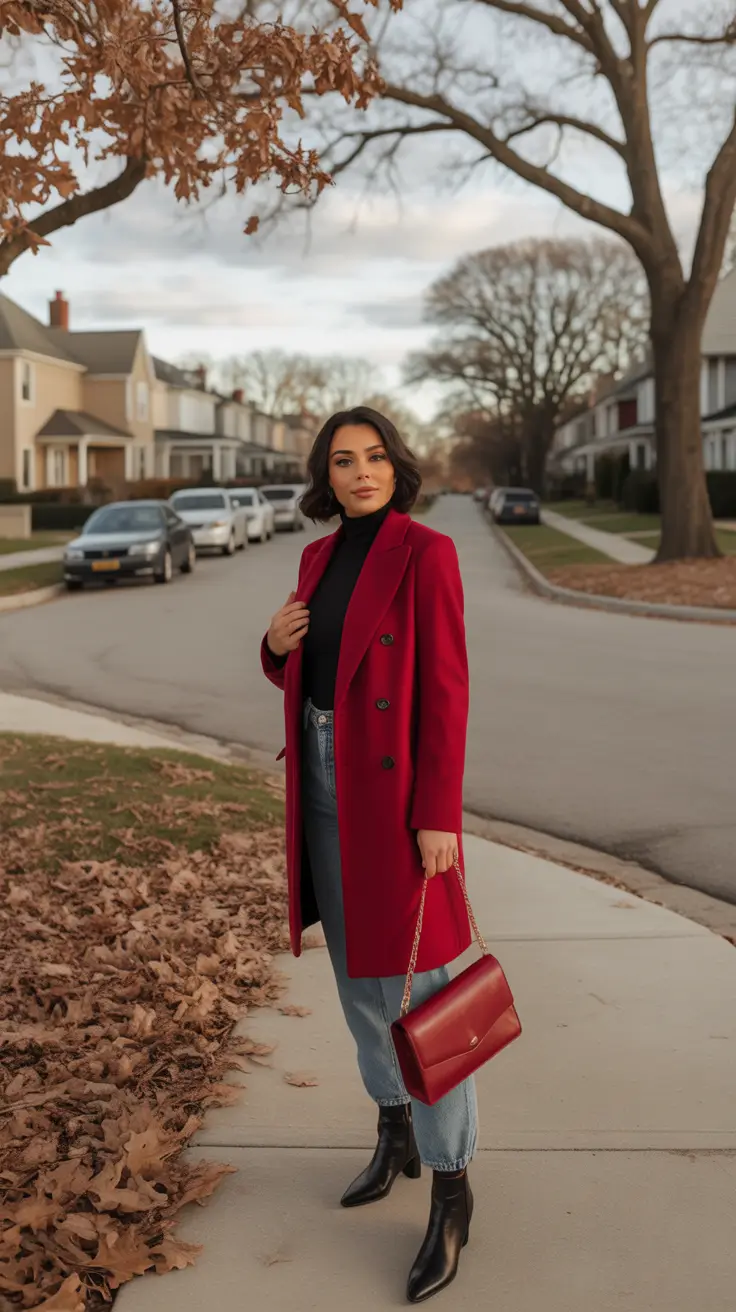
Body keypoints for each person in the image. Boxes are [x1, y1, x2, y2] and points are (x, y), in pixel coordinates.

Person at [261, 406, 477, 1303]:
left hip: (392, 798)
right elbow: (313, 669)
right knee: (357, 980)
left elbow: (447, 690)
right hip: (321, 777)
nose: (361, 472)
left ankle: (454, 1185)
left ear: (397, 467)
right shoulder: (315, 557)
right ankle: (393, 1131)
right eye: (344, 460)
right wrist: (273, 649)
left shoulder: (427, 554)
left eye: (375, 457)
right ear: (326, 474)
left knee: (417, 991)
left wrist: (437, 814)